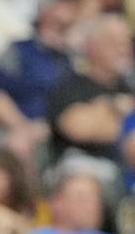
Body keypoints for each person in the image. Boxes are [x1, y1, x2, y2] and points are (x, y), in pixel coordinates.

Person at [0, 0, 80, 163]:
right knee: (18, 145)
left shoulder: (75, 59)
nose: (60, 30)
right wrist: (24, 127)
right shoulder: (18, 50)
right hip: (20, 127)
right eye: (55, 22)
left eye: (66, 27)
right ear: (42, 15)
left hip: (64, 133)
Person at [45, 14, 135, 164]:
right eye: (113, 42)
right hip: (81, 162)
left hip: (122, 167)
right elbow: (76, 128)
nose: (123, 49)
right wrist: (114, 107)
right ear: (91, 46)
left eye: (126, 43)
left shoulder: (128, 87)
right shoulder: (70, 83)